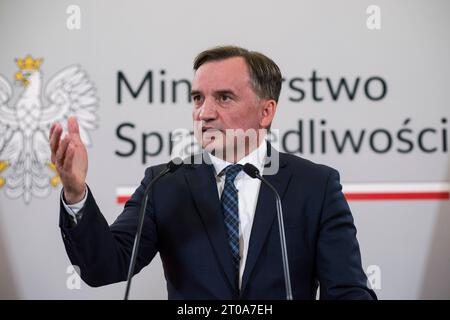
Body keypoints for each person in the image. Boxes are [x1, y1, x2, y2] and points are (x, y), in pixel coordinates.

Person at [50, 46, 376, 299]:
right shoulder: (164, 184)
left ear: (266, 112)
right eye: (197, 98)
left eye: (223, 98)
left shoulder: (315, 186)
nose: (204, 113)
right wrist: (76, 193)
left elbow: (346, 290)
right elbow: (104, 266)